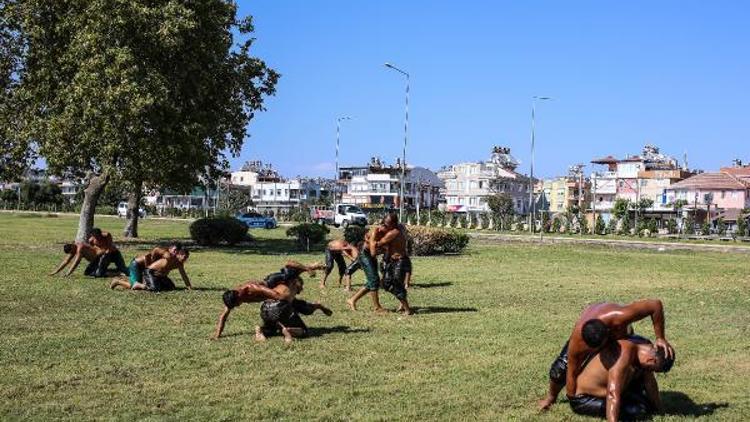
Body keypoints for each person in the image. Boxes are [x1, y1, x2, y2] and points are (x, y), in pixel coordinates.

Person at [539, 300, 675, 411]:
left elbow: (655, 305)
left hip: (616, 326)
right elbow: (571, 370)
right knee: (559, 369)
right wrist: (574, 397)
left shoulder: (620, 316)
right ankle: (550, 398)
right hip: (591, 327)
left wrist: (660, 338)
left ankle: (634, 386)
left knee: (637, 355)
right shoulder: (578, 343)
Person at [568, 335, 674, 421]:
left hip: (609, 389)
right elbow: (612, 394)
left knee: (647, 404)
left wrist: (660, 410)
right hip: (584, 399)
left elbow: (650, 383)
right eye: (652, 369)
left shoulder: (645, 347)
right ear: (650, 360)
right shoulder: (625, 353)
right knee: (637, 410)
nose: (650, 372)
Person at [212, 260, 325, 339]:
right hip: (273, 299)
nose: (239, 305)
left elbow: (275, 295)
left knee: (290, 269)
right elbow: (223, 317)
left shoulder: (253, 288)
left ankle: (310, 268)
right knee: (296, 303)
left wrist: (288, 296)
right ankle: (311, 269)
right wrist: (217, 335)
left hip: (272, 281)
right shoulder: (231, 298)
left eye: (238, 304)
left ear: (238, 296)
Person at [256, 277, 332, 343]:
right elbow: (306, 310)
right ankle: (289, 331)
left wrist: (320, 307)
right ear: (295, 281)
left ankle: (261, 330)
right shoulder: (292, 287)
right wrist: (319, 306)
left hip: (265, 309)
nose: (302, 288)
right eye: (301, 284)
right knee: (304, 331)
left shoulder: (278, 287)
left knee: (273, 330)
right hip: (280, 307)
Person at [372, 213, 413, 314]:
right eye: (384, 224)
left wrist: (372, 236)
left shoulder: (393, 233)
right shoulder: (401, 227)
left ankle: (407, 310)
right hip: (393, 260)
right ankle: (403, 304)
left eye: (387, 225)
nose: (385, 226)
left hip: (400, 261)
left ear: (394, 224)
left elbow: (378, 244)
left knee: (395, 285)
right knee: (386, 283)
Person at [346, 225, 388, 313]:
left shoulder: (387, 232)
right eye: (385, 228)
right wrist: (380, 247)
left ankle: (352, 300)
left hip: (371, 256)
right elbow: (373, 253)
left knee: (373, 281)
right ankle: (377, 307)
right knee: (374, 280)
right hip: (365, 255)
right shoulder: (375, 232)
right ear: (381, 226)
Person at [109, 243, 183, 290]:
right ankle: (118, 281)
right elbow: (147, 256)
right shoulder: (163, 252)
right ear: (170, 248)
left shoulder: (171, 257)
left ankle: (129, 277)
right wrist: (146, 271)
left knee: (142, 285)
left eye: (177, 251)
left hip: (146, 268)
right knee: (134, 286)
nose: (175, 253)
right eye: (174, 250)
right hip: (137, 265)